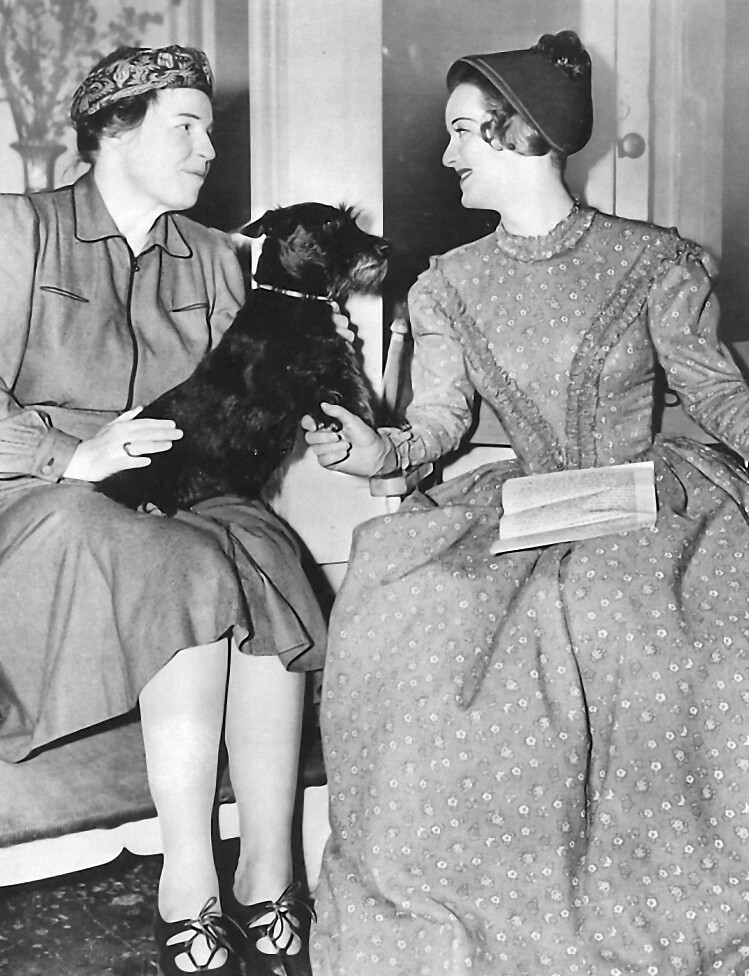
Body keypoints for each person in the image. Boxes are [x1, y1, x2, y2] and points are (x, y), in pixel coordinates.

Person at [302, 29, 749, 976]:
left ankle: (669, 906)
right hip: (523, 511)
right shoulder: (449, 284)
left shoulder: (653, 261)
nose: (446, 155)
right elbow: (438, 422)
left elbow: (720, 398)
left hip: (650, 508)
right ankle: (489, 915)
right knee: (417, 624)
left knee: (642, 628)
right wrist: (379, 449)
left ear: (521, 131)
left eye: (462, 131)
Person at [0, 46, 323, 976]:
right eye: (187, 127)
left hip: (178, 491)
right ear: (114, 131)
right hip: (40, 501)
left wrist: (309, 396)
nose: (209, 150)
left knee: (266, 555)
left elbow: (236, 414)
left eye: (210, 131)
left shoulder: (219, 259)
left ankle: (269, 869)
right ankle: (190, 879)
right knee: (179, 565)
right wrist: (71, 455)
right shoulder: (21, 231)